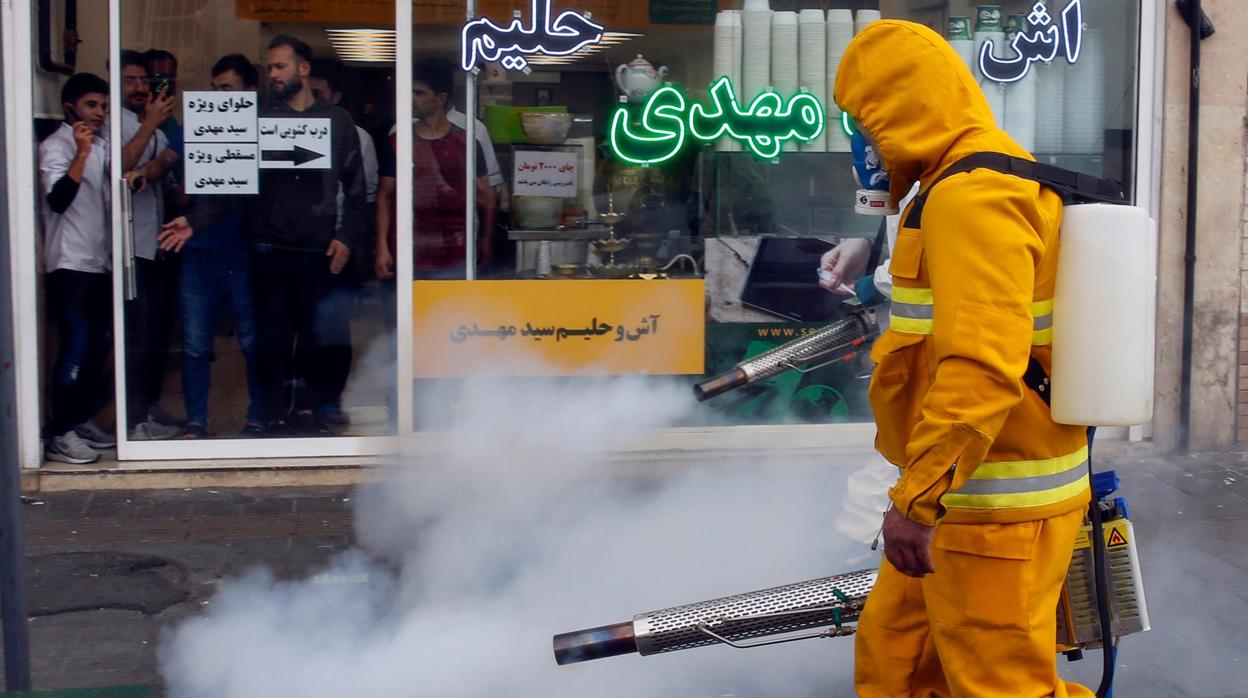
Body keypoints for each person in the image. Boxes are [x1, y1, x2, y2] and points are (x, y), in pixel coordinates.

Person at [833, 20, 1093, 697]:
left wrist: (917, 503)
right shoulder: (953, 185)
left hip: (988, 512)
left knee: (1001, 687)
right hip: (957, 502)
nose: (859, 142)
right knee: (897, 662)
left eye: (862, 122)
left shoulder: (972, 196)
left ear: (901, 109)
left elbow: (981, 364)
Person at [253, 35, 366, 435]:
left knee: (328, 338)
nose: (273, 75)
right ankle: (277, 414)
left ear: (303, 69)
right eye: (269, 68)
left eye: (280, 66)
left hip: (321, 250)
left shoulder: (337, 122)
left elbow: (357, 192)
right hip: (273, 248)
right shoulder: (261, 120)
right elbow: (237, 186)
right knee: (274, 341)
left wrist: (347, 238)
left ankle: (321, 409)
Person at [157, 54, 264, 438]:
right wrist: (148, 175)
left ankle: (258, 416)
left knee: (254, 343)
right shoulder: (196, 127)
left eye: (227, 89)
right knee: (195, 344)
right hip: (198, 254)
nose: (219, 96)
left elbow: (240, 198)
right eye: (215, 88)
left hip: (245, 254)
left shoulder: (264, 131)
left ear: (249, 93)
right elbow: (165, 162)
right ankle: (196, 423)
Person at [39, 73, 120, 463]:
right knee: (75, 348)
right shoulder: (55, 147)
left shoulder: (102, 146)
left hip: (98, 261)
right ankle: (60, 431)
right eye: (92, 105)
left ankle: (80, 417)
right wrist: (81, 154)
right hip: (69, 263)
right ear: (71, 108)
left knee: (98, 348)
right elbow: (57, 200)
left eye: (104, 106)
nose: (100, 113)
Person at [375, 56, 495, 283]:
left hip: (455, 252)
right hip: (407, 251)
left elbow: (486, 195)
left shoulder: (466, 142)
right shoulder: (397, 141)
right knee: (403, 317)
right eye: (410, 92)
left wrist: (485, 239)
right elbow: (385, 195)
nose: (411, 99)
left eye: (419, 93)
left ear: (440, 99)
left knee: (450, 317)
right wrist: (381, 246)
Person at [307, 58, 380, 428]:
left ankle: (331, 401)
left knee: (334, 329)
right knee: (302, 329)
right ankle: (303, 402)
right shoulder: (288, 130)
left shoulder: (357, 136)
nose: (312, 100)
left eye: (319, 94)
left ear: (336, 96)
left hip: (339, 245)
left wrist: (348, 241)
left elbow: (363, 198)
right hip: (299, 246)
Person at [116, 49, 183, 440]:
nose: (141, 87)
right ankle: (133, 420)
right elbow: (121, 169)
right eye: (131, 80)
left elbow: (160, 180)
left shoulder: (155, 130)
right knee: (135, 339)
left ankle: (147, 411)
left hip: (157, 245)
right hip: (128, 250)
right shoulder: (114, 124)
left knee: (157, 336)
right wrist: (151, 125)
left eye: (145, 80)